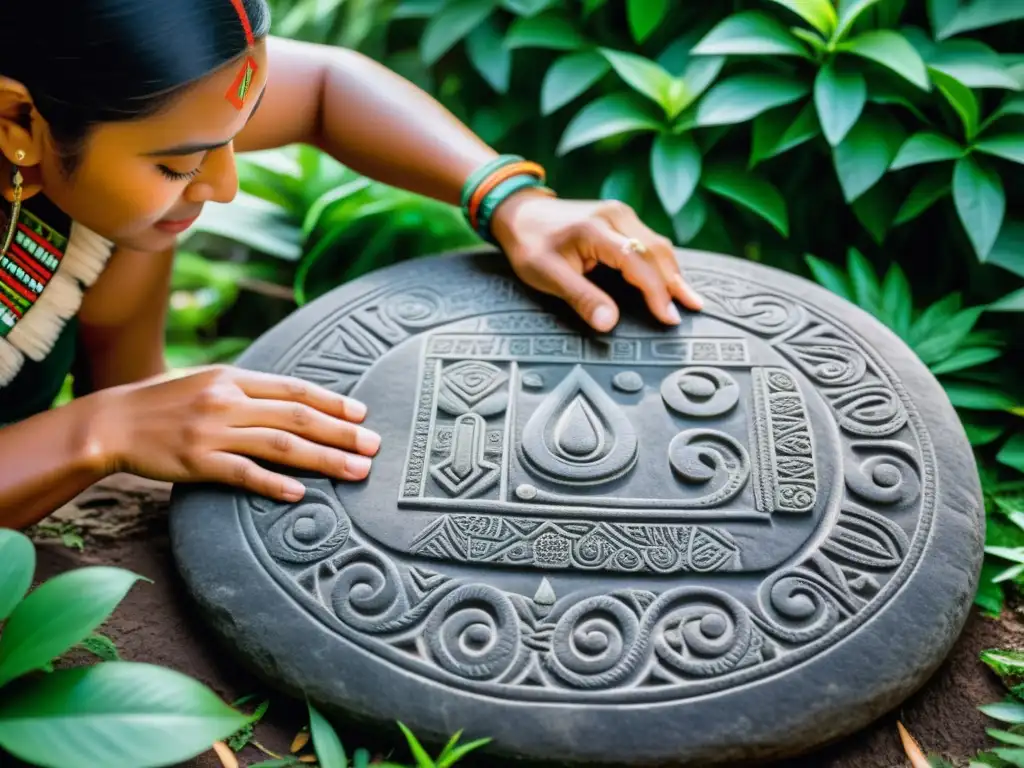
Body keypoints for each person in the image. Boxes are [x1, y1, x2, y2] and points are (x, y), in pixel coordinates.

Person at [0, 0, 703, 529]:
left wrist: (509, 201)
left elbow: (327, 86)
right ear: (19, 124)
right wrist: (100, 431)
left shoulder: (112, 111)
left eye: (234, 140)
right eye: (178, 162)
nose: (223, 185)